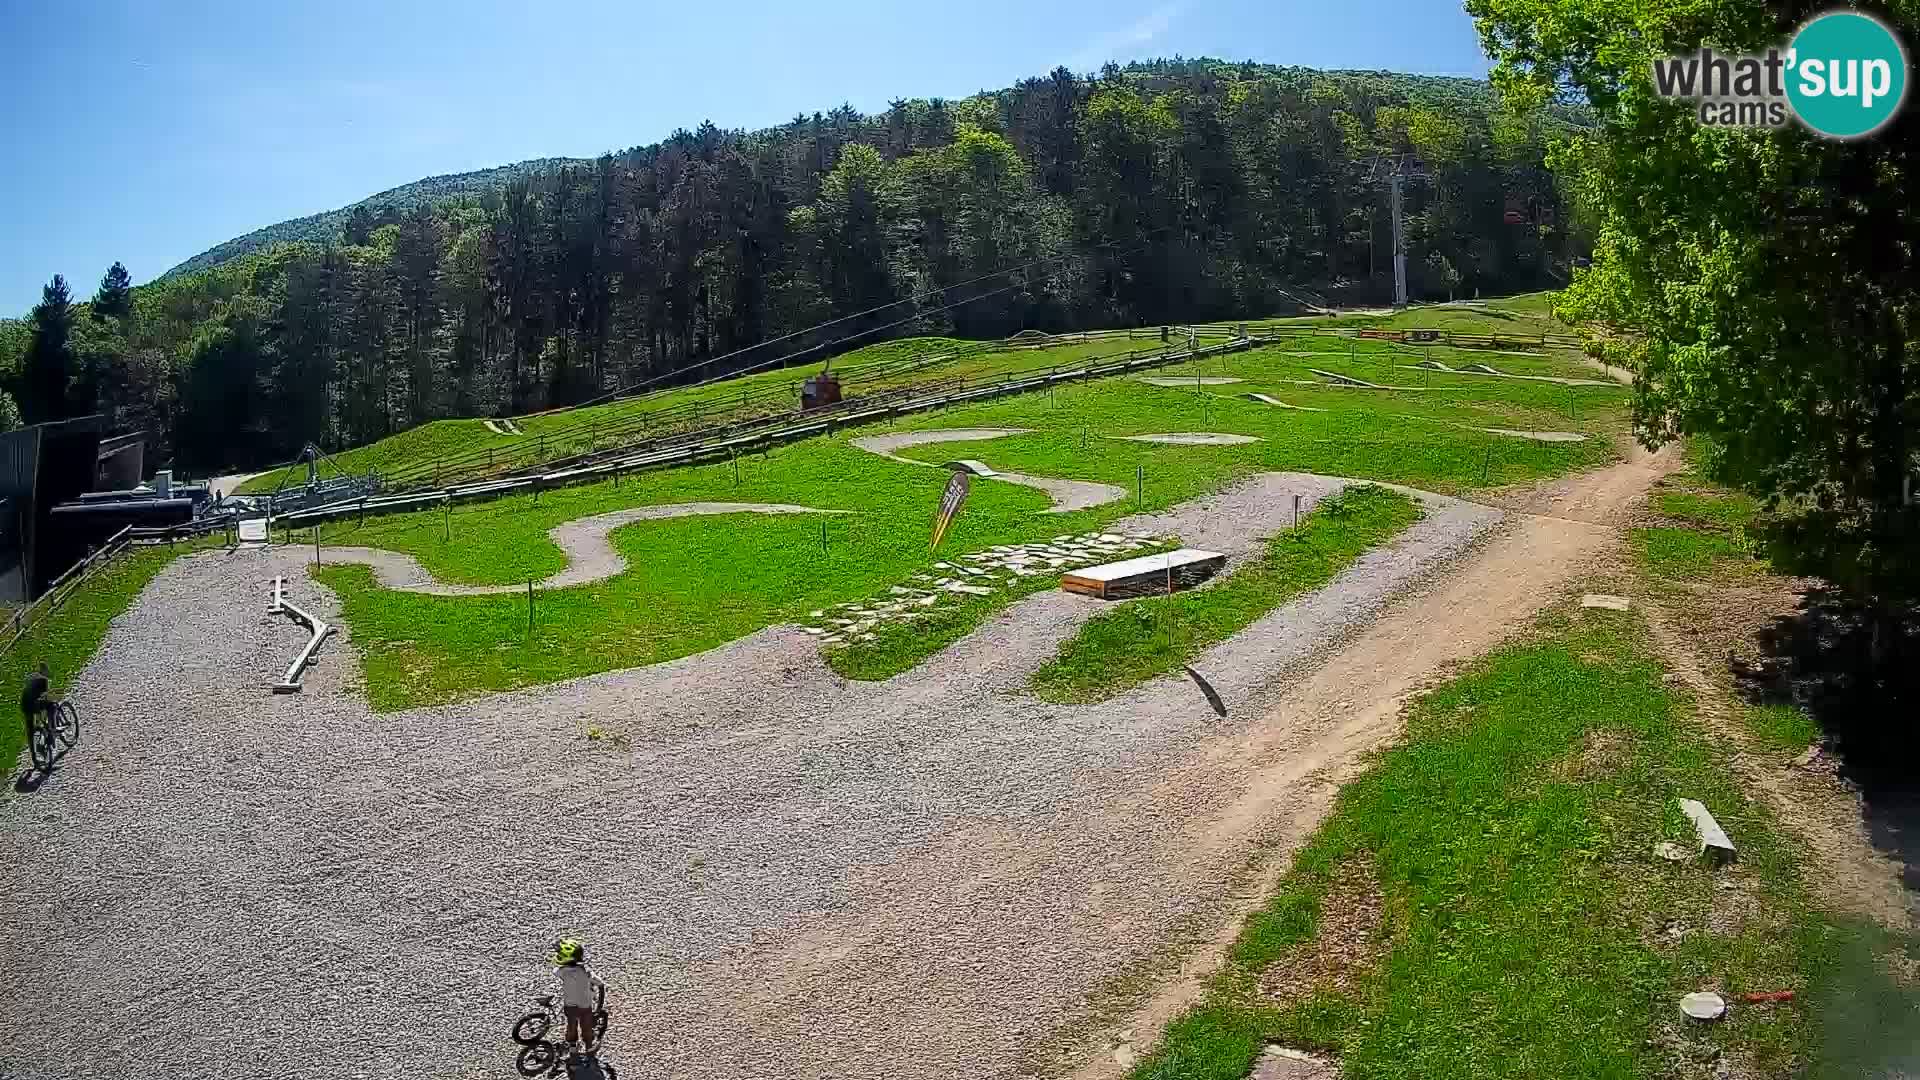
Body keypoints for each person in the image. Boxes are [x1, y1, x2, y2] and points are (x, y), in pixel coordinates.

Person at [552, 937, 605, 1056]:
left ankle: (572, 1046)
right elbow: (600, 983)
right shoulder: (586, 972)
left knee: (571, 1025)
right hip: (585, 1006)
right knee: (587, 1027)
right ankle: (589, 1046)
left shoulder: (562, 971)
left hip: (569, 1005)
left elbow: (555, 971)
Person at [19, 661, 52, 750]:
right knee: (50, 705)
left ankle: (33, 754)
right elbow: (45, 696)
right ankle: (50, 729)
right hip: (33, 704)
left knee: (29, 728)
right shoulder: (44, 680)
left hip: (24, 705)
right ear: (45, 671)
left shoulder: (31, 676)